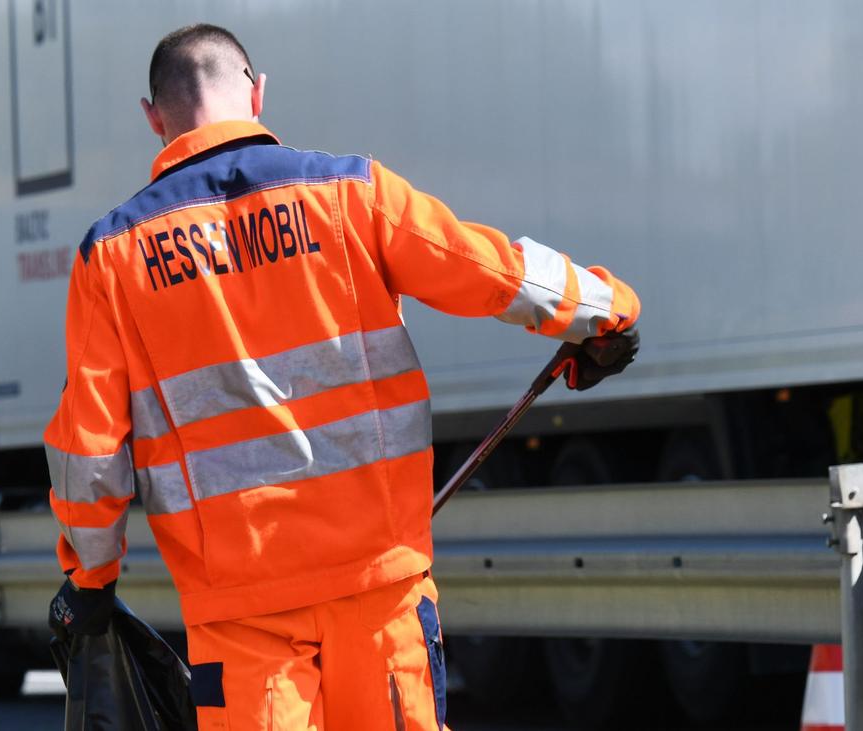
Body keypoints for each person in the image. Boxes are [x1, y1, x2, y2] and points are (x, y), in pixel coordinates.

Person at [44, 23, 640, 731]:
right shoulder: (349, 193)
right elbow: (487, 270)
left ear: (153, 118)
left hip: (240, 610)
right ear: (257, 94)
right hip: (378, 587)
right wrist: (606, 310)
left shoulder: (112, 255)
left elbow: (89, 453)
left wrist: (91, 578)